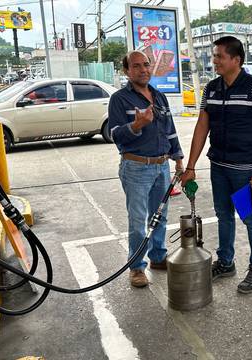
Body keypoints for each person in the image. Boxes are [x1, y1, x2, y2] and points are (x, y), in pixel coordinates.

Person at [180, 36, 252, 294]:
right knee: (223, 215)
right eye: (214, 56)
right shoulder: (211, 88)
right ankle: (226, 262)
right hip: (218, 165)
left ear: (236, 59)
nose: (215, 61)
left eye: (220, 56)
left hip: (244, 169)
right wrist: (190, 166)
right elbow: (202, 126)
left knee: (250, 217)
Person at [108, 50, 184, 288]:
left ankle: (158, 257)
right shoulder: (120, 99)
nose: (143, 70)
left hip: (162, 166)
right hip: (136, 167)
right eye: (137, 66)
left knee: (159, 216)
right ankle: (137, 268)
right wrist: (137, 124)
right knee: (138, 220)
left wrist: (178, 159)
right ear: (127, 71)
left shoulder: (159, 97)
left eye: (146, 65)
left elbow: (170, 130)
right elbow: (115, 135)